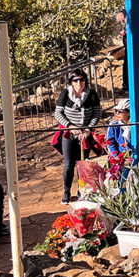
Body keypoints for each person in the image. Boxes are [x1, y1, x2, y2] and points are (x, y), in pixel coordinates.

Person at [53, 69, 102, 204]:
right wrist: (70, 126)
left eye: (81, 80)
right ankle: (67, 190)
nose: (79, 83)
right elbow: (58, 114)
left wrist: (87, 129)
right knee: (69, 163)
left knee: (83, 163)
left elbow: (97, 114)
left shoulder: (92, 95)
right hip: (69, 133)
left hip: (85, 134)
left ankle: (82, 189)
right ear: (71, 82)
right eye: (75, 80)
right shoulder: (65, 94)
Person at [115, 9, 129, 94]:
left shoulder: (129, 25)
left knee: (127, 68)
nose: (119, 17)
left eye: (120, 15)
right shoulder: (126, 25)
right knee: (125, 67)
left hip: (130, 50)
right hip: (127, 50)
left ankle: (127, 86)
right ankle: (125, 86)